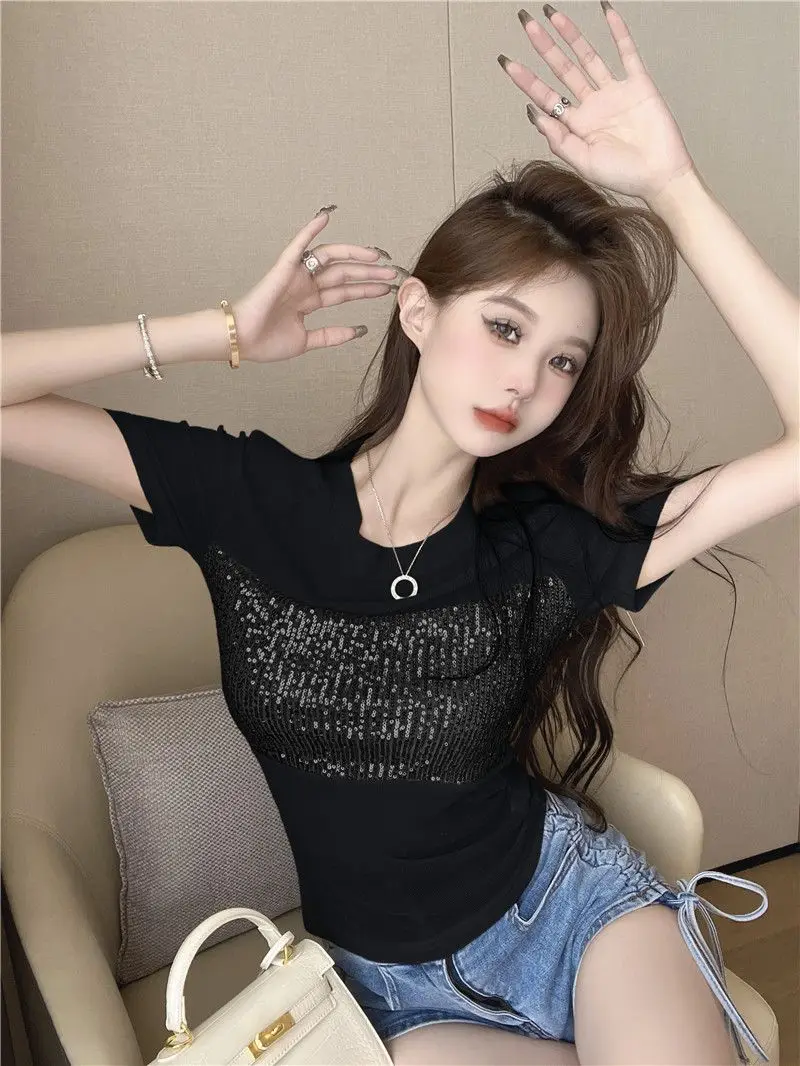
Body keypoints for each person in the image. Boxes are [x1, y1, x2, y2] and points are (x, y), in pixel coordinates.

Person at [3, 6, 797, 1064]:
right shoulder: (250, 500)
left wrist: (673, 186)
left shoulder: (549, 543)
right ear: (418, 314)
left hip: (571, 912)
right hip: (395, 998)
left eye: (562, 361)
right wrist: (220, 332)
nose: (525, 380)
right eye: (504, 328)